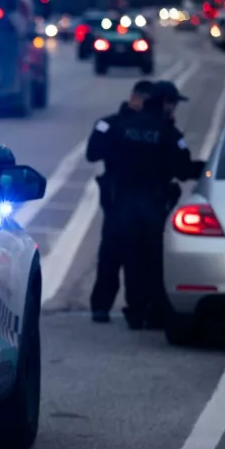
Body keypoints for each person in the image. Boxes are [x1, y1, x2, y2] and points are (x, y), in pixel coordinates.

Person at [98, 80, 203, 329]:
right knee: (155, 260)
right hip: (153, 204)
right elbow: (182, 168)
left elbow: (105, 154)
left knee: (131, 258)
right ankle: (156, 312)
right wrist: (206, 169)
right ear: (166, 103)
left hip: (122, 202)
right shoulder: (169, 133)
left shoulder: (122, 126)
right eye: (173, 104)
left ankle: (135, 311)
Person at [86, 80, 155, 323]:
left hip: (138, 198)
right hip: (121, 197)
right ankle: (103, 306)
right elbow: (93, 153)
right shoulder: (112, 124)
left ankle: (134, 308)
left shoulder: (151, 126)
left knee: (136, 256)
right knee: (113, 253)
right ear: (135, 98)